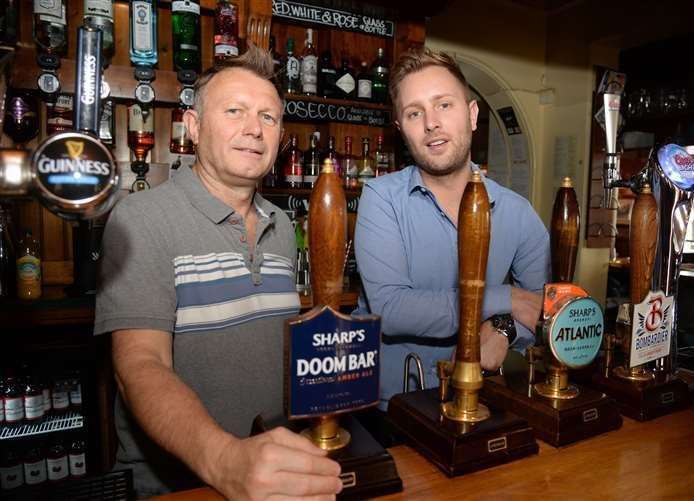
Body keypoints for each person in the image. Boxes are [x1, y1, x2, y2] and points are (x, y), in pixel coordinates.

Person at [94, 46, 343, 499]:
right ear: (194, 126)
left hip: (276, 475)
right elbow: (140, 367)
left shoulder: (282, 225)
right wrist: (227, 461)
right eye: (235, 111)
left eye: (268, 118)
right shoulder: (142, 219)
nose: (253, 129)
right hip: (178, 485)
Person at [354, 47, 550, 409]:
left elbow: (538, 310)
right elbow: (392, 309)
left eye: (444, 105)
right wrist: (506, 298)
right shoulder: (380, 199)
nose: (431, 123)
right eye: (415, 113)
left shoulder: (519, 214)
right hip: (392, 406)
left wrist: (506, 328)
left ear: (472, 115)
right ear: (401, 130)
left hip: (483, 398)